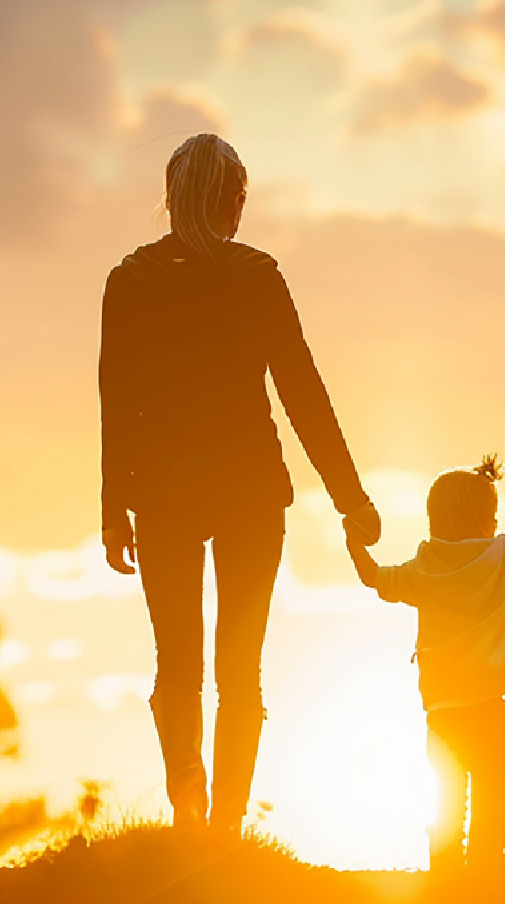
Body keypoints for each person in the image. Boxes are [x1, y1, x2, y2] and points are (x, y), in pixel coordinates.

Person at [100, 133, 382, 836]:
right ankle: (224, 823)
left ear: (171, 197)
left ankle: (189, 812)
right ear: (230, 199)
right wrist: (352, 499)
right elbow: (302, 391)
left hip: (162, 492)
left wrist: (113, 509)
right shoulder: (255, 275)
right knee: (239, 667)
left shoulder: (130, 280)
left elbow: (117, 401)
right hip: (251, 491)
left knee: (178, 662)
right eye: (240, 197)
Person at [342, 456, 505, 869]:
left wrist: (353, 542)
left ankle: (443, 879)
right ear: (485, 520)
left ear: (433, 519)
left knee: (446, 803)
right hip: (490, 711)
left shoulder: (423, 567)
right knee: (492, 800)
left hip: (442, 713)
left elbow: (373, 577)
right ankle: (486, 875)